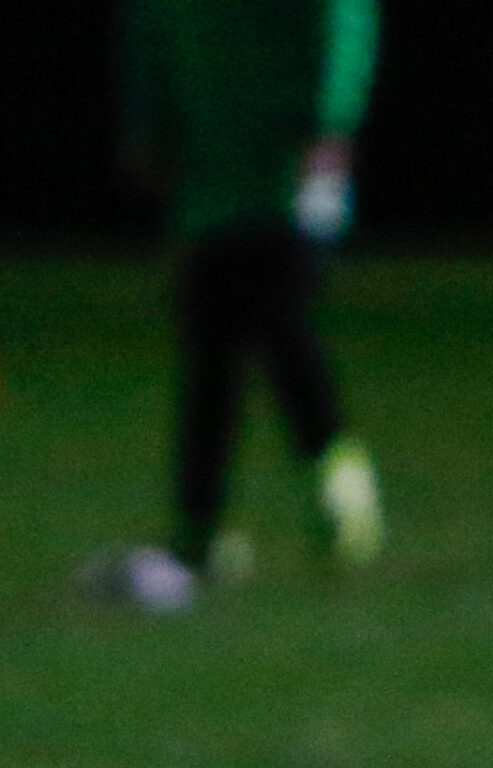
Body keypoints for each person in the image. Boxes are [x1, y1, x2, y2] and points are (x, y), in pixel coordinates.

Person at [96, 0, 384, 613]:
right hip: (210, 163)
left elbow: (340, 17)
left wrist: (328, 117)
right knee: (211, 342)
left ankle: (337, 484)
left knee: (276, 318)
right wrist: (150, 122)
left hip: (286, 161)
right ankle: (202, 527)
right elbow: (151, 27)